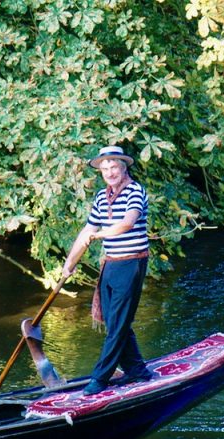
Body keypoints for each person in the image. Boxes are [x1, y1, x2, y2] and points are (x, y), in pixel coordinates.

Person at [62, 145, 153, 396]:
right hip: (111, 263)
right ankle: (137, 370)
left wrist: (99, 234)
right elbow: (86, 231)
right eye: (105, 168)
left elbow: (127, 223)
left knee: (118, 324)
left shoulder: (135, 191)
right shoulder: (102, 197)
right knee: (116, 322)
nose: (110, 172)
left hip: (132, 263)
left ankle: (100, 378)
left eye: (114, 167)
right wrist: (69, 264)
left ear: (123, 167)